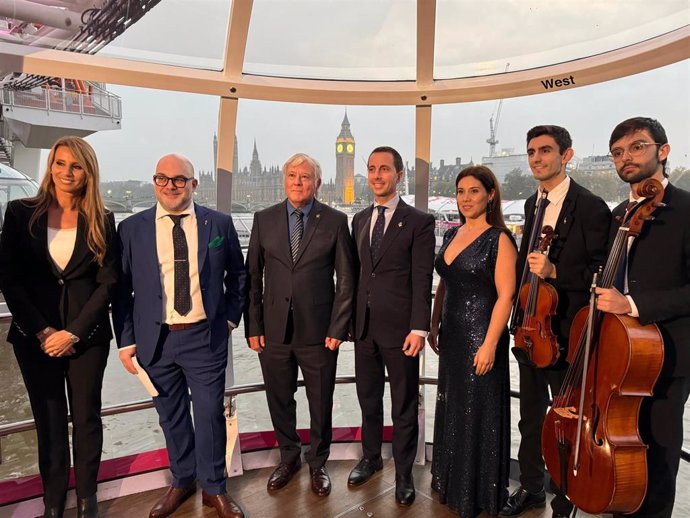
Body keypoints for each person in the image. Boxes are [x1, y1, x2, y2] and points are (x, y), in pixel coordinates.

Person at [112, 154, 247, 518]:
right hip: (155, 341)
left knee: (209, 415)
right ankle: (183, 480)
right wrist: (126, 341)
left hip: (205, 337)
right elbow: (121, 291)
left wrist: (231, 320)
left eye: (179, 179)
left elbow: (239, 276)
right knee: (170, 416)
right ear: (154, 182)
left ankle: (215, 489)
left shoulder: (218, 223)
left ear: (193, 184)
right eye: (162, 178)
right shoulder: (131, 229)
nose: (170, 185)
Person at [0, 136, 117, 518]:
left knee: (86, 419)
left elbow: (108, 282)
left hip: (87, 340)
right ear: (50, 166)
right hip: (35, 339)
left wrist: (74, 332)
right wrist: (44, 332)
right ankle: (53, 502)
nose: (67, 172)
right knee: (48, 422)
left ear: (88, 173)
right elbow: (10, 279)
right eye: (60, 163)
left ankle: (86, 499)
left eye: (76, 166)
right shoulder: (20, 213)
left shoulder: (103, 219)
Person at [500, 125, 610, 518]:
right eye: (531, 152)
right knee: (529, 418)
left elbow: (603, 274)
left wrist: (555, 271)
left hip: (565, 336)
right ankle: (531, 488)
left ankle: (566, 499)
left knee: (565, 423)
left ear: (567, 155)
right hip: (530, 331)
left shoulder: (591, 206)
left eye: (545, 151)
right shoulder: (533, 204)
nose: (536, 158)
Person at [244, 153, 355, 496]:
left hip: (319, 333)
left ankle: (318, 463)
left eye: (305, 177)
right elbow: (252, 280)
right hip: (273, 332)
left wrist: (337, 329)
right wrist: (253, 327)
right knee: (279, 398)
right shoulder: (263, 219)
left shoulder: (335, 221)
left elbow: (347, 281)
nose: (297, 181)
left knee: (320, 400)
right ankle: (288, 456)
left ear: (317, 183)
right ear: (284, 179)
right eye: (292, 175)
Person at [596, 117, 690, 518]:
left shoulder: (687, 209)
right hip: (619, 355)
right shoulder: (619, 213)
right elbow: (610, 274)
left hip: (666, 355)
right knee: (622, 450)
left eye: (636, 147)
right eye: (618, 152)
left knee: (659, 453)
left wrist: (632, 305)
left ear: (662, 151)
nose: (625, 158)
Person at [348, 146, 435, 506]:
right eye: (371, 169)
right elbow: (355, 276)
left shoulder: (419, 221)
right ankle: (370, 458)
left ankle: (403, 474)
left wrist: (419, 328)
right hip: (364, 329)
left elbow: (421, 278)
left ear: (399, 175)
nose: (377, 175)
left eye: (385, 169)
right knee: (367, 399)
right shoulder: (359, 220)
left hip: (402, 333)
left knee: (403, 404)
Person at [429, 166, 517, 517]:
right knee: (454, 410)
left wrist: (490, 344)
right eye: (461, 191)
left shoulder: (500, 239)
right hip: (451, 338)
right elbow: (445, 283)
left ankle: (476, 493)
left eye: (474, 191)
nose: (466, 198)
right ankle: (452, 483)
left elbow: (506, 295)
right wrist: (433, 323)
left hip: (480, 337)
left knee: (476, 414)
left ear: (490, 195)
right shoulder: (452, 234)